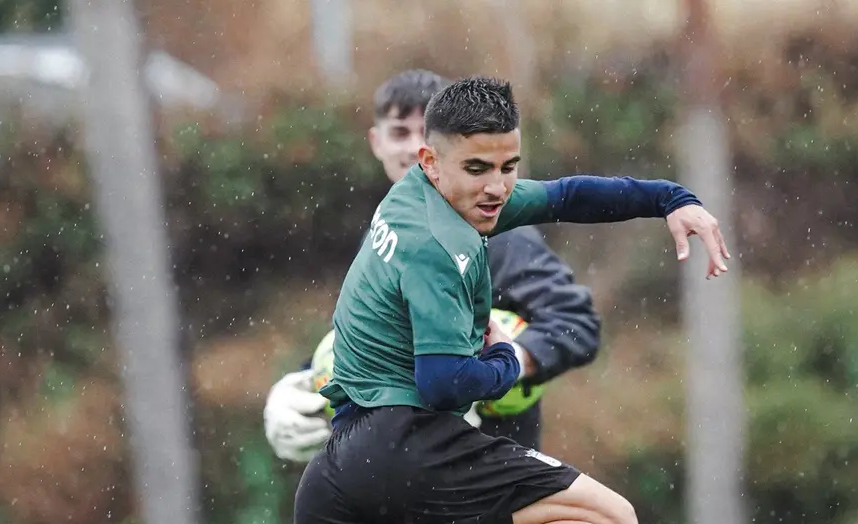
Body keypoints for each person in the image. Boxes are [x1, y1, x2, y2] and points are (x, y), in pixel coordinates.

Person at [294, 75, 730, 524]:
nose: (498, 188)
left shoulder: (417, 197)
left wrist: (671, 199)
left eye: (508, 167)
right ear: (430, 161)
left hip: (338, 468)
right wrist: (506, 358)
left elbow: (568, 196)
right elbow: (441, 382)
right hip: (405, 450)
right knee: (611, 516)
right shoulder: (439, 249)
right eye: (478, 168)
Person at [263, 69, 602, 462]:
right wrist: (303, 383)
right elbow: (373, 334)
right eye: (399, 132)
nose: (413, 147)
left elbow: (576, 323)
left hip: (491, 475)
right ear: (376, 142)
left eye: (426, 132)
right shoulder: (389, 224)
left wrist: (491, 374)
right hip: (398, 473)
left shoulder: (494, 229)